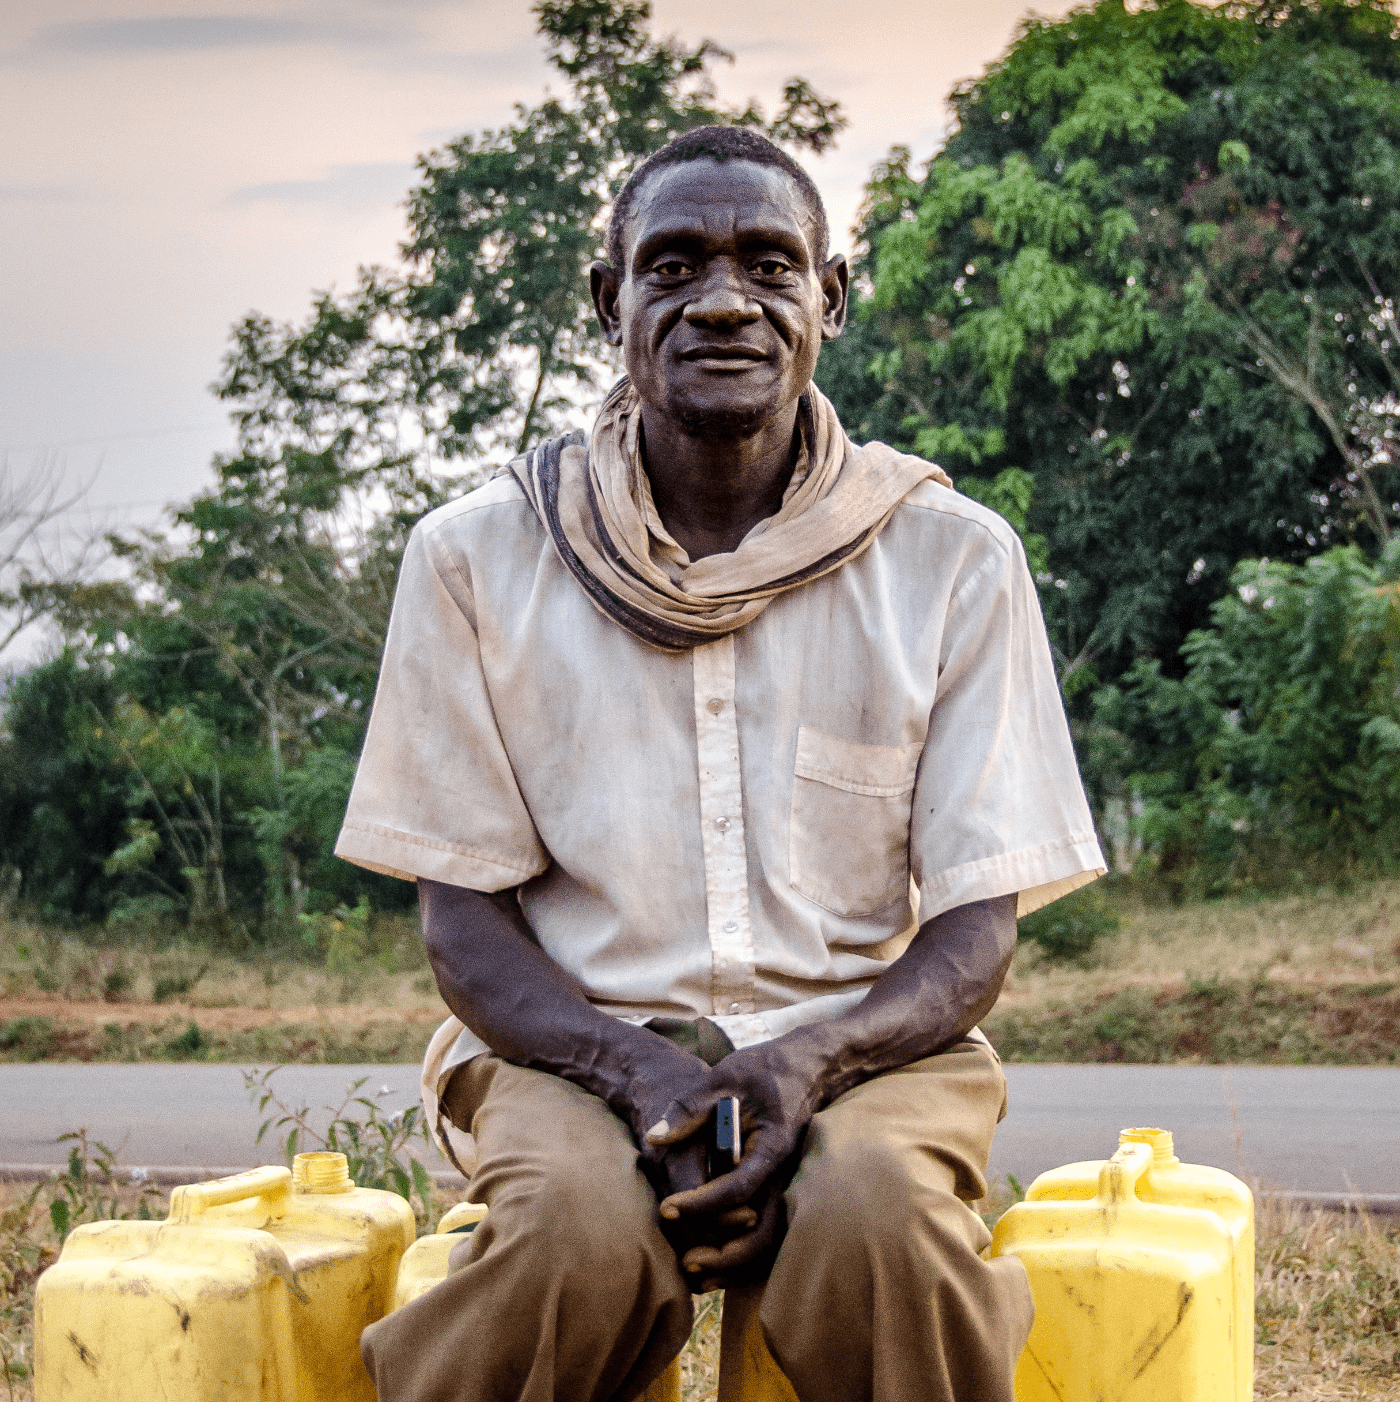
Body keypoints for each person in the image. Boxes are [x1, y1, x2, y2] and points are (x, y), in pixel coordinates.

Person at [335, 124, 1105, 1402]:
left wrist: (802, 1065)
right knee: (569, 1239)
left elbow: (973, 935)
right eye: (673, 263)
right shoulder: (475, 559)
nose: (723, 301)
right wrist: (634, 1070)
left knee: (877, 1223)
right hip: (568, 1052)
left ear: (830, 296)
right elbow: (461, 923)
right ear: (610, 302)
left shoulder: (951, 560)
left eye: (768, 263)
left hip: (868, 1052)